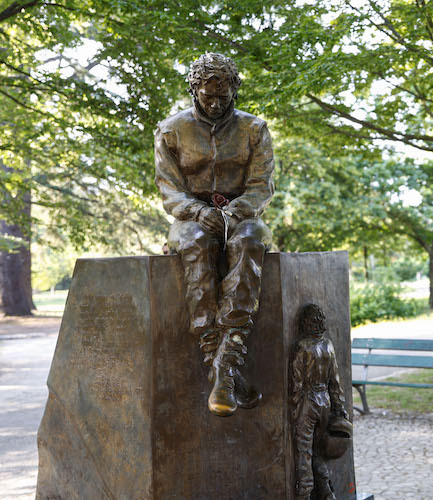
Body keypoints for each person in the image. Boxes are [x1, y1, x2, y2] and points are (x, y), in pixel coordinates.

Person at [154, 52, 274, 417]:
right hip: (192, 218)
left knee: (251, 241)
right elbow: (169, 189)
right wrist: (198, 212)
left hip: (242, 215)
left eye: (224, 96)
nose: (216, 103)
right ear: (194, 90)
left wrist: (233, 213)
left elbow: (261, 186)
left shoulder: (255, 129)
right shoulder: (171, 130)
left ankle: (228, 356)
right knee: (193, 243)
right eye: (208, 96)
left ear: (234, 89)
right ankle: (217, 360)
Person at [290, 304, 351, 500]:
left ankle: (304, 494)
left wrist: (294, 409)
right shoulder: (328, 346)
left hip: (308, 402)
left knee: (304, 451)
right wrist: (339, 407)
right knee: (319, 450)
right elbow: (335, 382)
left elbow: (296, 383)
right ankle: (326, 492)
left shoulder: (302, 348)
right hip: (325, 401)